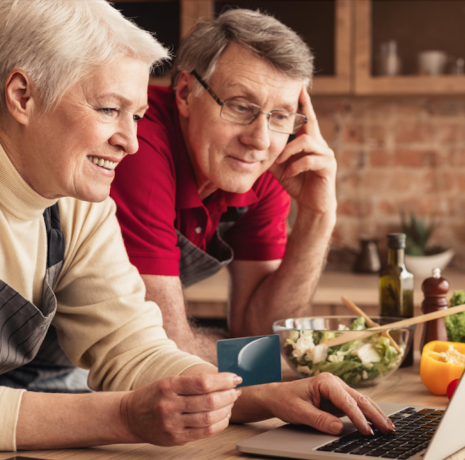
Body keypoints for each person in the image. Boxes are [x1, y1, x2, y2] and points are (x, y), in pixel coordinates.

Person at [0, 0, 392, 454]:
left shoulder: (74, 198)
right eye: (108, 109)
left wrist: (265, 397)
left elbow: (133, 349)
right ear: (23, 95)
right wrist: (125, 415)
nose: (130, 142)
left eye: (136, 115)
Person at [109, 9, 337, 363]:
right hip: (32, 371)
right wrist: (261, 361)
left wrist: (318, 215)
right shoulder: (140, 142)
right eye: (241, 107)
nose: (260, 140)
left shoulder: (263, 166)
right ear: (185, 92)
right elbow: (164, 350)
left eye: (280, 116)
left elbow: (261, 329)